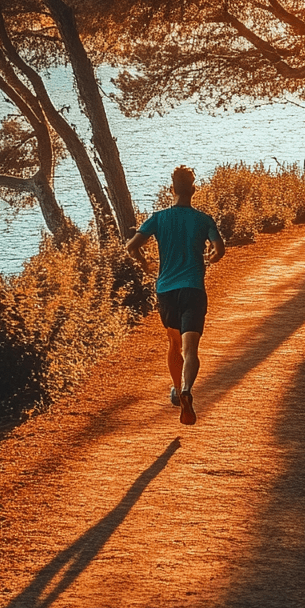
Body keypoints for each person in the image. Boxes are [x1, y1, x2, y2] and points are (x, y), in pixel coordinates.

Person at [126, 165, 225, 425]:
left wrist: (144, 262)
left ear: (172, 189)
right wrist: (211, 258)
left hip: (167, 290)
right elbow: (219, 248)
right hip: (193, 289)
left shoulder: (158, 218)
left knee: (174, 345)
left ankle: (175, 388)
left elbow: (131, 246)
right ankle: (186, 390)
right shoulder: (204, 220)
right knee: (191, 348)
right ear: (193, 190)